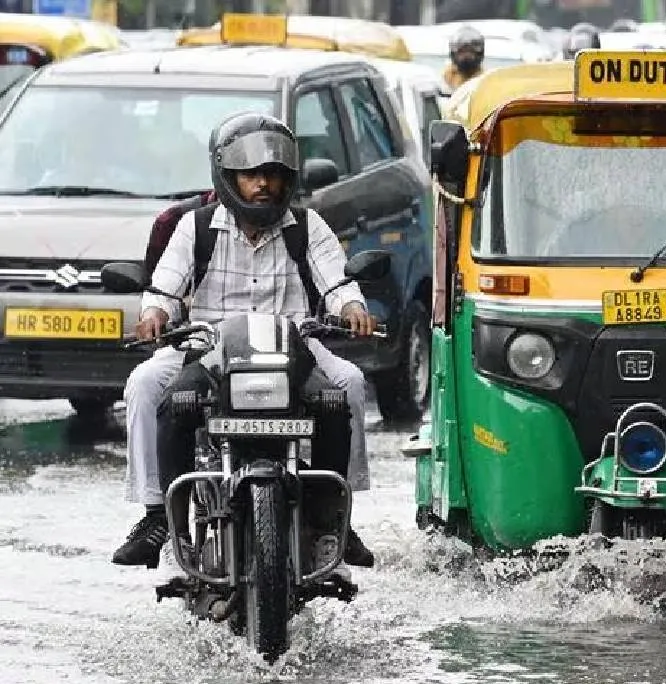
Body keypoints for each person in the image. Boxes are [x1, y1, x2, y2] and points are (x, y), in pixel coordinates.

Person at [112, 112, 378, 570]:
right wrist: (155, 314)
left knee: (349, 384)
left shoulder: (305, 225)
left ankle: (335, 516)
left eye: (273, 175)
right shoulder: (194, 227)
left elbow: (337, 282)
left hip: (294, 346)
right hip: (206, 345)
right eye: (252, 174)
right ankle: (158, 514)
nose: (263, 185)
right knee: (145, 383)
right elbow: (165, 287)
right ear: (228, 176)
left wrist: (351, 308)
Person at [441, 25, 486, 94]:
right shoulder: (446, 77)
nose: (466, 57)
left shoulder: (486, 80)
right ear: (454, 54)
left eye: (470, 53)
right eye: (462, 52)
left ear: (479, 54)